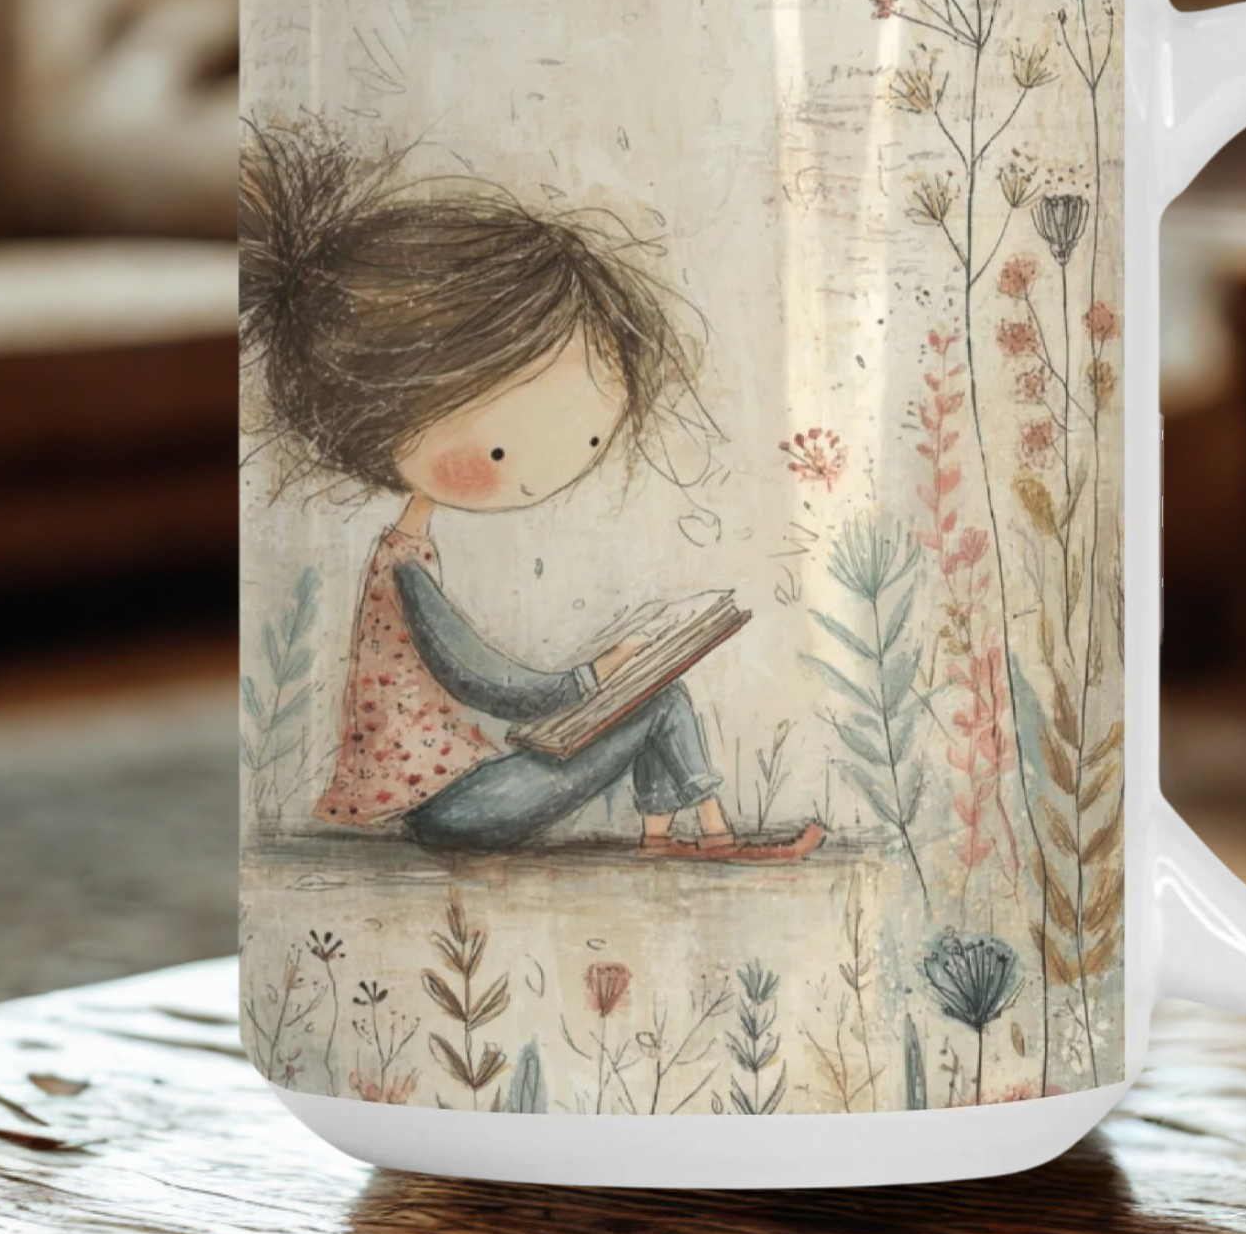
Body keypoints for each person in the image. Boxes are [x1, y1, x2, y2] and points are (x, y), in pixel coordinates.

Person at [240, 120, 824, 862]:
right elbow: (483, 681)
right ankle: (697, 835)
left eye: (585, 441)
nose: (536, 470)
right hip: (454, 807)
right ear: (386, 413)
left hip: (472, 785)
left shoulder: (411, 551)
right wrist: (593, 674)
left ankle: (681, 837)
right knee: (656, 698)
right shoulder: (405, 568)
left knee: (661, 692)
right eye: (499, 447)